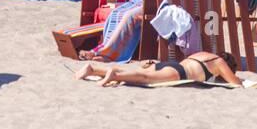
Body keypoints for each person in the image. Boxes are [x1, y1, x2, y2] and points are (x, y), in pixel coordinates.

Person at [74, 49, 243, 87]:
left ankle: (93, 70)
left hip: (169, 64)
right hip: (179, 73)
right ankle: (114, 76)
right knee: (144, 79)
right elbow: (235, 83)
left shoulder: (204, 54)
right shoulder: (219, 62)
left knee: (138, 72)